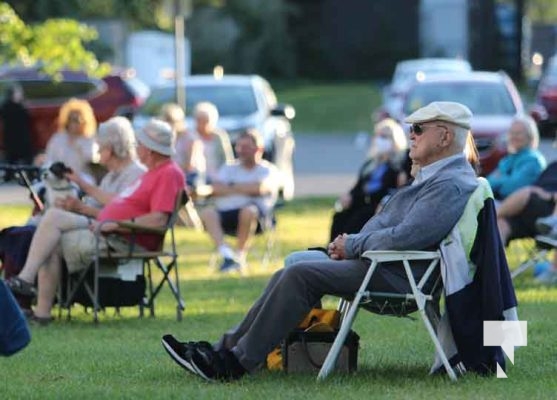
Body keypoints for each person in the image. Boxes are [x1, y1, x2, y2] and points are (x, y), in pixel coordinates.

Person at [161, 101, 480, 381]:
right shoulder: (440, 175)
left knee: (300, 275)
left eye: (419, 129)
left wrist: (352, 245)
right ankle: (225, 349)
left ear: (445, 136)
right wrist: (352, 242)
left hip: (397, 274)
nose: (411, 134)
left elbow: (409, 235)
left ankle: (236, 363)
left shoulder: (449, 183)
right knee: (295, 264)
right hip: (386, 264)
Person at [6, 118, 184, 323]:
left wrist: (115, 224)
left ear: (151, 150)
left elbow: (159, 220)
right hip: (109, 228)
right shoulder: (153, 174)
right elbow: (120, 204)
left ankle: (27, 283)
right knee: (51, 224)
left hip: (123, 237)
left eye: (140, 144)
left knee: (52, 230)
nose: (137, 148)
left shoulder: (168, 173)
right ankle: (40, 309)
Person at [198, 129, 280, 272]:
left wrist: (229, 187)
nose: (241, 151)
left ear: (258, 149)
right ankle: (227, 254)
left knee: (248, 211)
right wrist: (244, 188)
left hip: (257, 218)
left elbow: (260, 188)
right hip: (227, 213)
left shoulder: (268, 170)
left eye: (246, 147)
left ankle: (239, 255)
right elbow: (215, 188)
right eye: (239, 147)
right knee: (208, 213)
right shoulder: (229, 167)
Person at [329, 118, 408, 241]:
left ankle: (347, 250)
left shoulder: (398, 166)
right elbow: (358, 186)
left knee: (358, 220)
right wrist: (349, 195)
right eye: (379, 136)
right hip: (361, 202)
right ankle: (332, 249)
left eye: (385, 137)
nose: (381, 140)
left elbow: (397, 190)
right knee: (340, 217)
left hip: (377, 206)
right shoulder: (371, 164)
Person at [487, 115, 546, 200]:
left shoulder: (533, 160)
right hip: (501, 201)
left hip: (519, 207)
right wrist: (507, 179)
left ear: (530, 136)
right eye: (511, 133)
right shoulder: (509, 159)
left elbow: (510, 189)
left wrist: (500, 179)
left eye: (518, 133)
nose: (514, 137)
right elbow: (488, 183)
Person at [42, 98, 98, 183]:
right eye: (71, 119)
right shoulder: (58, 138)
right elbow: (49, 159)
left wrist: (78, 146)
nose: (74, 123)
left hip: (81, 178)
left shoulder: (88, 139)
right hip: (59, 177)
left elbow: (92, 159)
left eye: (78, 120)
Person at [159, 103, 205, 189]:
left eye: (170, 120)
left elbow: (190, 166)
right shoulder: (166, 138)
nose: (168, 124)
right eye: (165, 120)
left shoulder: (190, 138)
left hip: (191, 178)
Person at [191, 101, 234, 184]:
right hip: (196, 177)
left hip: (218, 177)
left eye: (205, 121)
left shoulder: (219, 136)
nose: (202, 125)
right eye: (199, 121)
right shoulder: (191, 136)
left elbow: (228, 160)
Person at [0, 84, 33, 167]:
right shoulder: (12, 107)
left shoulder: (7, 106)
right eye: (19, 92)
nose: (21, 94)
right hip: (15, 140)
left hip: (17, 140)